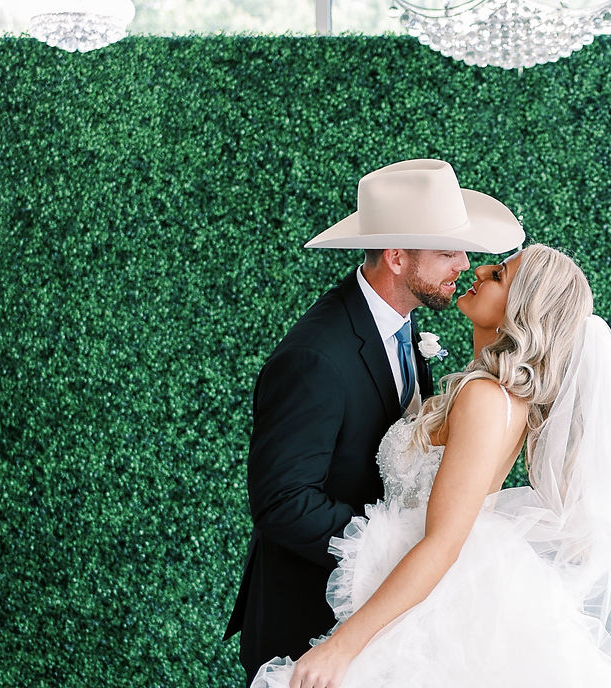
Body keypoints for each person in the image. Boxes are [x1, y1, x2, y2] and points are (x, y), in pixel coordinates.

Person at [251, 244, 611, 688]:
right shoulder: (485, 389)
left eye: (498, 275)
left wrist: (343, 646)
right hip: (418, 592)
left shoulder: (486, 399)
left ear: (518, 311)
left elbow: (443, 543)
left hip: (430, 604)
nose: (476, 268)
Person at [223, 158, 525, 686]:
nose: (465, 265)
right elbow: (282, 502)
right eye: (447, 252)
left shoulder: (403, 326)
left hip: (385, 622)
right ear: (397, 257)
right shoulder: (316, 357)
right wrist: (395, 548)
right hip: (311, 619)